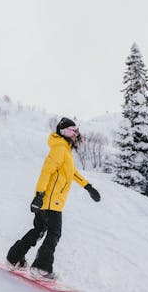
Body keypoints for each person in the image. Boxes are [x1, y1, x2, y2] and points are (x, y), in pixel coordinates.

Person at [6, 117, 101, 280]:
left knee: (38, 230)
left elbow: (72, 173)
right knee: (54, 232)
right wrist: (39, 195)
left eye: (77, 131)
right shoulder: (59, 148)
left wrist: (88, 186)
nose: (76, 134)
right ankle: (41, 268)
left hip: (48, 200)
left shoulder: (64, 150)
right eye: (73, 130)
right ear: (63, 131)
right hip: (51, 201)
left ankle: (14, 258)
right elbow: (46, 171)